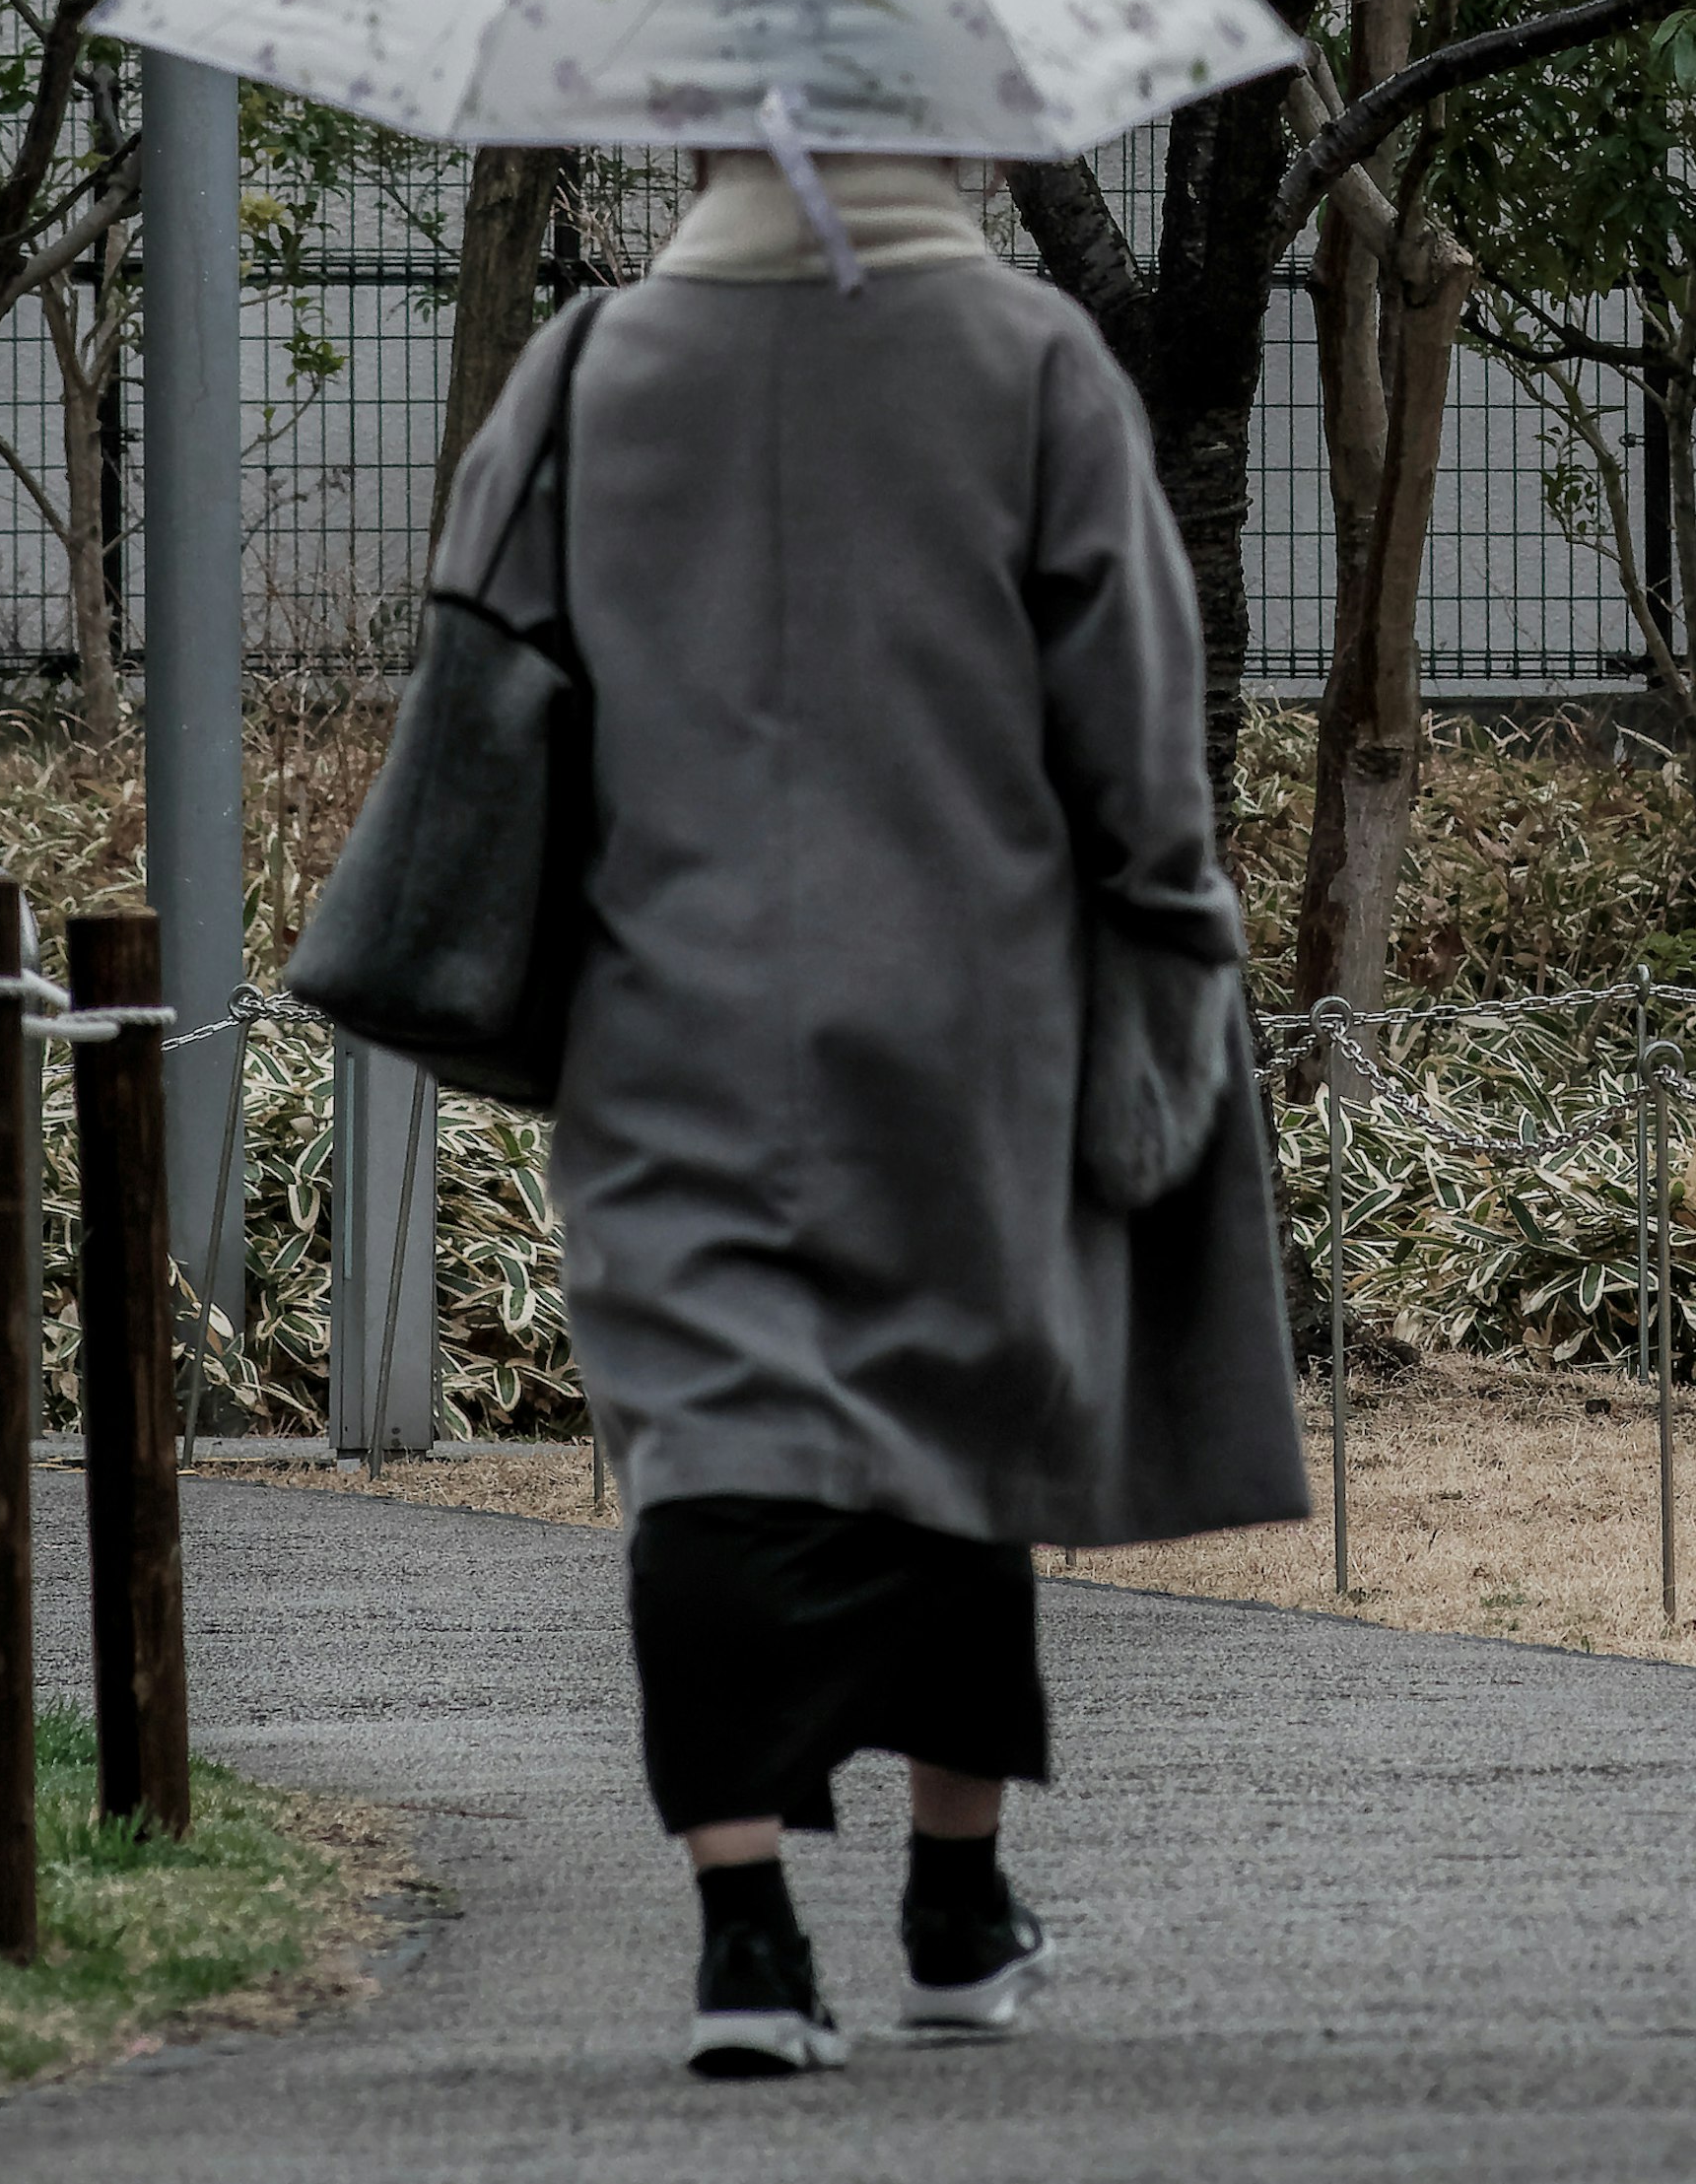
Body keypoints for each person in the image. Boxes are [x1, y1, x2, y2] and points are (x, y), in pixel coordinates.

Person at [425, 135, 1310, 2074]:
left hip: (665, 1011)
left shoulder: (591, 365)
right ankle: (953, 1906)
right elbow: (1141, 734)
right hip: (970, 1013)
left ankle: (746, 1936)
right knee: (950, 1424)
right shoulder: (1032, 360)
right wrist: (1164, 932)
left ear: (710, 129)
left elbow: (485, 662)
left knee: (708, 1445)